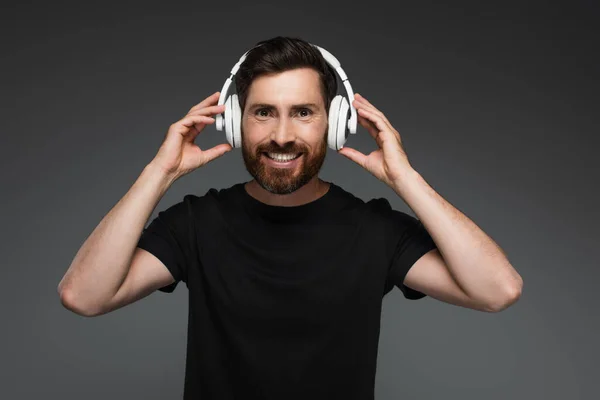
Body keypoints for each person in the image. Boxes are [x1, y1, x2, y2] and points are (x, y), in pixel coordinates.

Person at [58, 36, 523, 400]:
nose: (282, 135)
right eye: (263, 113)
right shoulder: (197, 223)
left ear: (334, 123)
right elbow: (83, 295)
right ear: (236, 122)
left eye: (303, 113)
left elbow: (497, 290)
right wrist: (159, 174)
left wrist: (405, 179)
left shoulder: (374, 229)